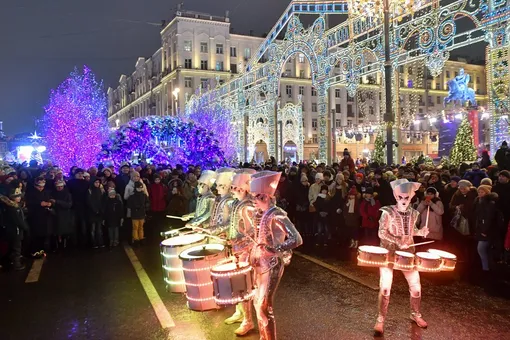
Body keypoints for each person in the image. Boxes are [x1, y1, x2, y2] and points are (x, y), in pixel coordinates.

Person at [249, 171, 303, 340]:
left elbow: (297, 238)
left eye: (256, 197)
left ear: (265, 197)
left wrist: (275, 248)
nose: (253, 201)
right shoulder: (263, 213)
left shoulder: (277, 213)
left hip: (272, 264)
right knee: (257, 303)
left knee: (265, 306)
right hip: (260, 264)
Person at [374, 179, 429, 335]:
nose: (403, 200)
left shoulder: (414, 213)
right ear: (395, 196)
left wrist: (420, 232)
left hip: (407, 253)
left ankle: (415, 314)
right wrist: (398, 241)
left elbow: (411, 230)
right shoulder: (387, 212)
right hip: (388, 253)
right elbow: (382, 232)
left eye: (406, 198)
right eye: (400, 197)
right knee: (385, 287)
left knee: (416, 287)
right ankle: (380, 319)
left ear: (411, 198)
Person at [224, 169, 256, 335]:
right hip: (235, 249)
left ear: (243, 189)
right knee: (236, 285)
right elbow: (232, 225)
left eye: (235, 188)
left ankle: (248, 320)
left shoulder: (249, 206)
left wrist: (238, 240)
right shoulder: (236, 204)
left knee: (244, 286)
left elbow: (252, 232)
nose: (232, 191)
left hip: (245, 252)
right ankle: (240, 312)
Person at [0, 187, 28, 270]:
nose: (19, 198)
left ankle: (11, 261)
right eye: (17, 196)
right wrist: (25, 227)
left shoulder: (14, 207)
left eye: (20, 196)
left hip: (14, 231)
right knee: (16, 248)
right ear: (13, 198)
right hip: (16, 231)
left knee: (13, 247)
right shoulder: (13, 208)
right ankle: (16, 264)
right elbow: (18, 221)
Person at [474, 185, 497, 272]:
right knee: (482, 250)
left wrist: (485, 230)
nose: (480, 194)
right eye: (479, 192)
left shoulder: (489, 203)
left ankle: (486, 268)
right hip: (480, 229)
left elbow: (488, 218)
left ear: (486, 193)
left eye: (482, 192)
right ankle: (485, 267)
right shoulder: (478, 201)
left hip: (485, 230)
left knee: (481, 249)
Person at [50, 180, 74, 249]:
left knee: (65, 232)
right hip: (56, 215)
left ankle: (64, 246)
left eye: (61, 186)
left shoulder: (67, 194)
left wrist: (57, 202)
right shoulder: (52, 194)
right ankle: (58, 246)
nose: (60, 188)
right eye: (58, 187)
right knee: (57, 232)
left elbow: (69, 205)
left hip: (65, 215)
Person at [127, 181, 150, 246]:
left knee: (141, 227)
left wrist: (146, 207)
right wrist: (135, 207)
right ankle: (136, 239)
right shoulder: (132, 197)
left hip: (142, 213)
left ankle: (141, 238)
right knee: (135, 227)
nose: (139, 189)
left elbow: (147, 202)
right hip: (135, 214)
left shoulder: (144, 195)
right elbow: (129, 205)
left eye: (141, 188)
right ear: (135, 188)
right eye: (138, 188)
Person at [87, 179, 105, 248]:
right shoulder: (90, 191)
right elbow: (89, 202)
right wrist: (95, 210)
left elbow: (103, 201)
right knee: (93, 229)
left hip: (99, 213)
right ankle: (94, 243)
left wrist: (101, 210)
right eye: (96, 182)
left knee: (99, 229)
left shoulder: (101, 190)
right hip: (92, 213)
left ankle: (100, 242)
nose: (97, 184)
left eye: (98, 182)